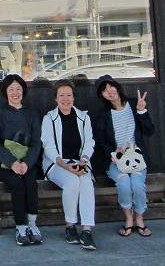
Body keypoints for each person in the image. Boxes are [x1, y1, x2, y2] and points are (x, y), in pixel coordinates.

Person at [94, 74, 155, 237]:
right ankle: (129, 219)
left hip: (136, 159)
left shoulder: (135, 104)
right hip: (115, 161)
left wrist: (142, 112)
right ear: (102, 96)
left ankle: (140, 218)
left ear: (116, 86)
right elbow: (100, 141)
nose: (109, 91)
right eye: (104, 90)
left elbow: (150, 131)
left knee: (136, 185)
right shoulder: (103, 115)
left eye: (110, 86)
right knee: (123, 183)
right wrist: (113, 152)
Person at [41, 79, 97, 250]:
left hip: (80, 161)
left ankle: (86, 230)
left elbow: (89, 143)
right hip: (57, 163)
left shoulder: (83, 117)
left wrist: (84, 161)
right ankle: (70, 226)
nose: (66, 99)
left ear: (74, 97)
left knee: (86, 182)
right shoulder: (49, 118)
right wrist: (64, 166)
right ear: (56, 99)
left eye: (69, 95)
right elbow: (48, 145)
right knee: (72, 181)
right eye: (61, 95)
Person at [0, 74, 43, 246]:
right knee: (17, 184)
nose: (15, 92)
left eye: (18, 88)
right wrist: (13, 163)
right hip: (4, 165)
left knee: (30, 181)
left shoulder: (32, 114)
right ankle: (21, 226)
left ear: (23, 91)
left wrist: (26, 163)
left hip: (28, 163)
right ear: (5, 92)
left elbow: (36, 143)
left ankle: (32, 225)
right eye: (11, 89)